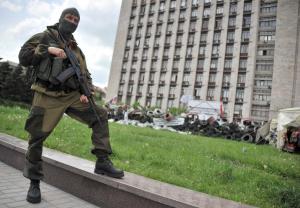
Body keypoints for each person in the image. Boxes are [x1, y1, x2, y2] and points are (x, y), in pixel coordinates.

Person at [18, 8, 124, 204]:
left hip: (72, 96)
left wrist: (87, 91)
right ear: (61, 18)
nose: (72, 21)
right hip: (47, 95)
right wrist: (47, 50)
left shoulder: (76, 48)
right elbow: (23, 57)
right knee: (36, 137)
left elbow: (85, 73)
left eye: (76, 19)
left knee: (99, 114)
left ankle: (102, 161)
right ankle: (34, 182)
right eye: (69, 17)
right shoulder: (44, 36)